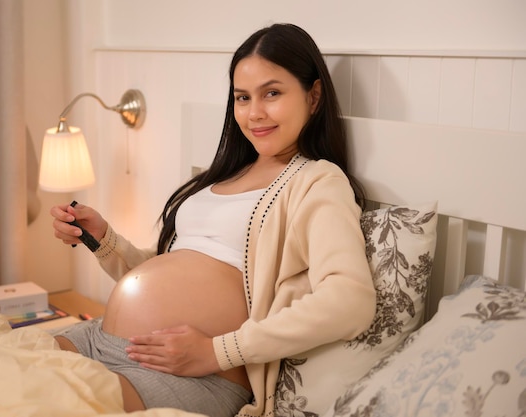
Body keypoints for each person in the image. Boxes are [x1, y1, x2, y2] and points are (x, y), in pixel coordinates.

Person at [50, 23, 376, 417]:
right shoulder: (222, 176)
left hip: (194, 375)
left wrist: (217, 352)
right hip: (101, 338)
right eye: (242, 97)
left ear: (314, 95)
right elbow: (179, 274)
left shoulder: (316, 181)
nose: (254, 113)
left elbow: (350, 301)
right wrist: (104, 239)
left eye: (272, 93)